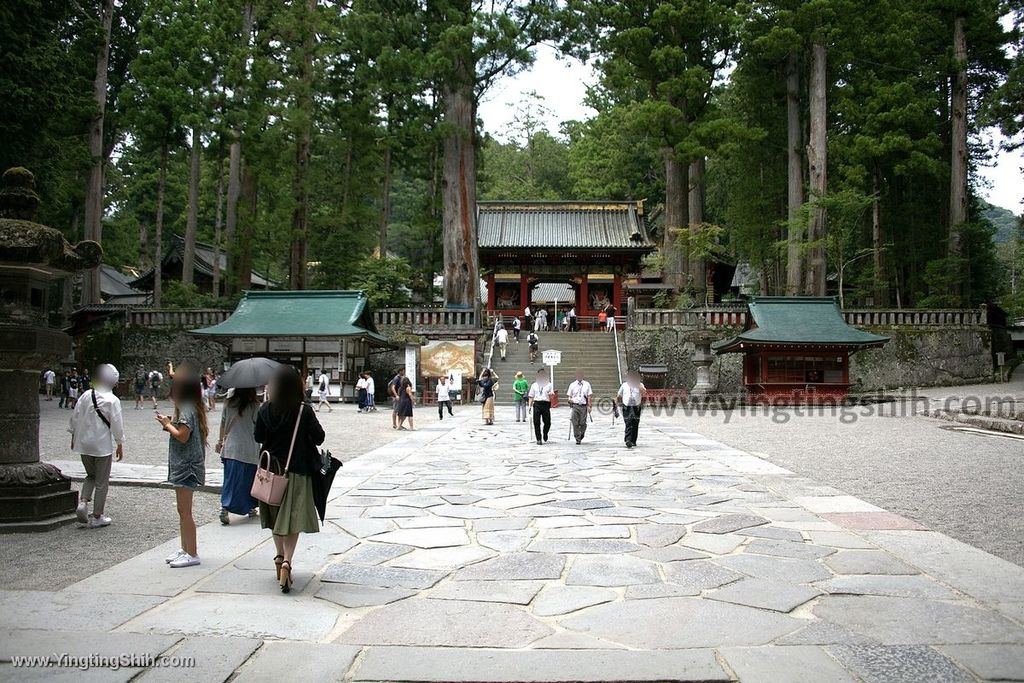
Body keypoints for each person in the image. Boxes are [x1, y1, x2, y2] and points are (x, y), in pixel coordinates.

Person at [254, 365, 325, 593]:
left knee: (275, 517)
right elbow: (319, 438)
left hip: (270, 473)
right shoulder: (303, 410)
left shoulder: (265, 409)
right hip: (295, 472)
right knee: (292, 519)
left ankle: (278, 557)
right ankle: (287, 562)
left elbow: (258, 436)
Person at [157, 370, 208, 568]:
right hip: (186, 463)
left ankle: (192, 552)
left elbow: (183, 435)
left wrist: (168, 424)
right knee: (182, 510)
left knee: (185, 511)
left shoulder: (186, 407)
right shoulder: (190, 406)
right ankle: (185, 547)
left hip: (187, 465)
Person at [70, 364, 124, 528]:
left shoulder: (86, 394)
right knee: (102, 481)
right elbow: (116, 424)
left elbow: (75, 416)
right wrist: (120, 443)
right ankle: (97, 516)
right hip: (101, 445)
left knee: (90, 475)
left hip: (83, 443)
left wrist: (73, 435)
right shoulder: (112, 400)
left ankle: (83, 502)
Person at [217, 387, 260, 525]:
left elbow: (223, 424)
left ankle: (225, 507)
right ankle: (250, 506)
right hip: (248, 448)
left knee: (230, 479)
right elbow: (258, 426)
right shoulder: (254, 405)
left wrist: (220, 441)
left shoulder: (228, 403)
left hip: (230, 447)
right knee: (248, 480)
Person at [617, 369, 648, 449]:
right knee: (628, 422)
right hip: (626, 406)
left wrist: (638, 385)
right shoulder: (624, 385)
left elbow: (644, 392)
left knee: (635, 423)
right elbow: (619, 395)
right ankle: (628, 440)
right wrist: (616, 405)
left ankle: (633, 440)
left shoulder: (640, 385)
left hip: (636, 407)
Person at [566, 369, 594, 444]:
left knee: (582, 423)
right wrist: (570, 400)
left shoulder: (587, 384)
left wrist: (589, 406)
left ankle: (582, 434)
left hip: (583, 406)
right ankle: (577, 438)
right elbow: (569, 396)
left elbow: (589, 396)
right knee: (575, 422)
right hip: (575, 405)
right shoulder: (572, 385)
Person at [527, 369, 554, 445]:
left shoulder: (549, 384)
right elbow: (531, 396)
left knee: (547, 422)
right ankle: (538, 438)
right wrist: (529, 406)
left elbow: (551, 395)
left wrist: (551, 395)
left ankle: (545, 432)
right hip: (537, 403)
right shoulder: (534, 385)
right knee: (536, 422)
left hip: (545, 404)